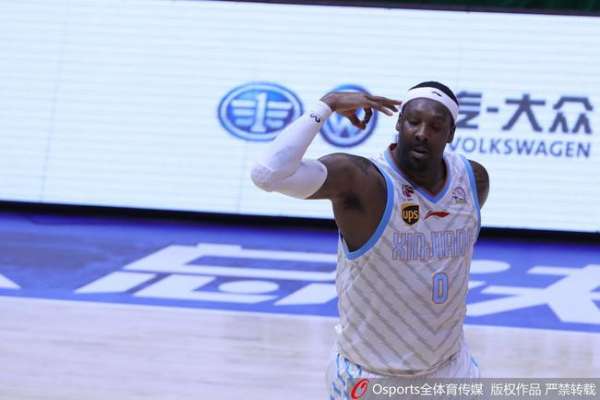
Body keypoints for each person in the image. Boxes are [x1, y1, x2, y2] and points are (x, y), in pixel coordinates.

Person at [250, 81, 489, 398]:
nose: (421, 133)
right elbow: (267, 174)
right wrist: (327, 105)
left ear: (451, 134)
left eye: (435, 126)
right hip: (370, 376)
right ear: (398, 123)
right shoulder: (362, 180)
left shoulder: (472, 180)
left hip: (451, 371)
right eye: (413, 121)